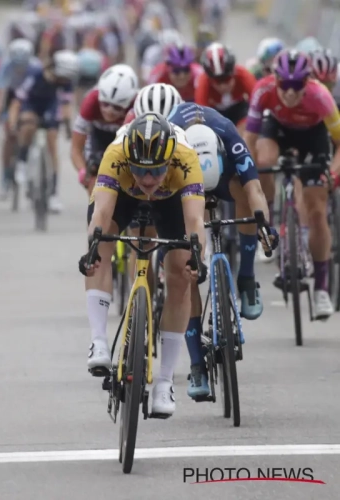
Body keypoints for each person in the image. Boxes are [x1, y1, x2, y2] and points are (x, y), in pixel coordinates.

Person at [80, 112, 206, 417]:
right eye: (141, 171)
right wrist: (93, 249)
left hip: (172, 201)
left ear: (169, 161)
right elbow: (102, 213)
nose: (148, 180)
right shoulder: (116, 153)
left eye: (156, 171)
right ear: (130, 160)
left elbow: (194, 221)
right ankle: (98, 342)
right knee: (102, 243)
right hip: (122, 195)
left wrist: (196, 257)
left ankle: (164, 382)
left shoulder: (185, 159)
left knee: (180, 271)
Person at [167, 103, 277, 399]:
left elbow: (255, 190)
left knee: (245, 195)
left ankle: (246, 278)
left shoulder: (229, 135)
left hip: (225, 176)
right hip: (185, 186)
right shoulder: (173, 142)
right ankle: (196, 365)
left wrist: (265, 224)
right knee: (186, 270)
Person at [244, 49, 340, 319]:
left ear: (307, 82)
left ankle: (321, 288)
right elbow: (249, 140)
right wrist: (249, 177)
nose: (289, 92)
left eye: (297, 86)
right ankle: (270, 226)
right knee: (263, 160)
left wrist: (332, 176)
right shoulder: (263, 91)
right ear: (275, 79)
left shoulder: (321, 97)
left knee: (317, 209)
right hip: (278, 130)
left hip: (313, 136)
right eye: (284, 85)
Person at [9, 49, 78, 213]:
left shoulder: (66, 81)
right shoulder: (36, 74)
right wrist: (13, 124)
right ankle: (22, 161)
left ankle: (53, 194)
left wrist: (67, 127)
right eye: (61, 77)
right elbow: (17, 102)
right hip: (31, 104)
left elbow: (67, 106)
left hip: (50, 106)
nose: (63, 81)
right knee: (28, 126)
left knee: (52, 143)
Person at [72, 64, 138, 198]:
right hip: (99, 138)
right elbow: (76, 149)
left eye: (118, 108)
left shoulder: (138, 105)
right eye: (105, 104)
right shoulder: (91, 101)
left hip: (127, 141)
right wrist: (83, 171)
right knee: (94, 178)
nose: (110, 111)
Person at [0, 38, 42, 200]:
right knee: (9, 134)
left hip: (30, 97)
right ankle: (5, 178)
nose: (20, 69)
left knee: (30, 125)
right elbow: (1, 93)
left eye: (23, 65)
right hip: (12, 96)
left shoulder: (37, 67)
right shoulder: (6, 66)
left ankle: (28, 156)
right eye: (17, 66)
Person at [195, 43, 256, 132]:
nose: (223, 86)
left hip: (239, 109)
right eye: (217, 81)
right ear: (209, 78)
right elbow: (201, 114)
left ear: (233, 72)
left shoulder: (244, 75)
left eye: (226, 79)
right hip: (215, 112)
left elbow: (257, 105)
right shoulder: (203, 81)